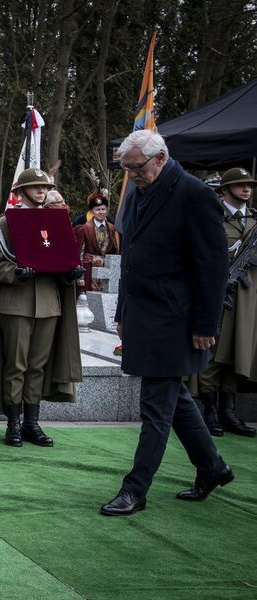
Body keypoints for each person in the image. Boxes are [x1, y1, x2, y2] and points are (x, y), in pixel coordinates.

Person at [100, 130, 233, 517]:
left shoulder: (195, 195)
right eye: (126, 169)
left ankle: (135, 489)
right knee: (175, 402)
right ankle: (212, 467)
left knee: (156, 407)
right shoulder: (142, 189)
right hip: (145, 314)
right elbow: (133, 257)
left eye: (135, 168)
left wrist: (206, 324)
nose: (131, 175)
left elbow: (213, 268)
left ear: (160, 158)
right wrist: (122, 312)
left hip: (177, 320)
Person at [0, 168, 83, 447]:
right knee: (15, 365)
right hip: (16, 302)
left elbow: (63, 255)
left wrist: (72, 271)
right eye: (35, 187)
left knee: (37, 367)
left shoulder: (57, 221)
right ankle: (13, 424)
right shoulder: (6, 223)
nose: (41, 191)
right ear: (21, 191)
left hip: (48, 302)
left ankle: (32, 423)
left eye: (45, 187)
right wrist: (16, 273)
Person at [194, 167, 257, 438]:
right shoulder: (212, 218)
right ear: (226, 189)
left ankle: (228, 411)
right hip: (217, 294)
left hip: (246, 297)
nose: (246, 189)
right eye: (240, 185)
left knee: (237, 351)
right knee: (213, 351)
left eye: (249, 185)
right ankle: (209, 411)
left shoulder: (253, 222)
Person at [74, 191, 119, 293]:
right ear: (92, 211)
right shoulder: (84, 229)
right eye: (97, 209)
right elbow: (79, 254)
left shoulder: (113, 229)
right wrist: (80, 277)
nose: (101, 212)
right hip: (89, 271)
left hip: (107, 272)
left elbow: (116, 251)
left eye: (103, 209)